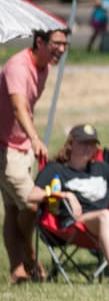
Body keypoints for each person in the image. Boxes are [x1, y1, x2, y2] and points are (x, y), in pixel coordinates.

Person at [30, 124, 109, 287]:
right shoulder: (56, 169)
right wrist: (64, 194)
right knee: (105, 215)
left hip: (106, 225)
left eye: (92, 143)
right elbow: (32, 196)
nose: (88, 147)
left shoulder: (101, 168)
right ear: (71, 144)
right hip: (76, 225)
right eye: (83, 143)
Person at [1, 27, 68, 283]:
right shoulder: (18, 67)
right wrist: (35, 138)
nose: (61, 50)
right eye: (56, 43)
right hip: (5, 147)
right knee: (30, 202)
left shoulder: (45, 68)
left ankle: (17, 270)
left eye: (65, 44)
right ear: (39, 42)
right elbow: (19, 107)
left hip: (22, 146)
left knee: (11, 207)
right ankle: (29, 256)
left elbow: (28, 107)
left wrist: (29, 141)